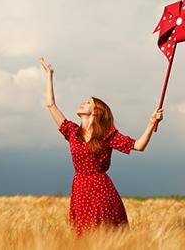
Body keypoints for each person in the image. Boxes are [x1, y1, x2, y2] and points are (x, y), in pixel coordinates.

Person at [39, 57, 163, 238]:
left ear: (96, 111)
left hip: (101, 190)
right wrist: (49, 75)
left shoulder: (107, 135)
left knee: (105, 236)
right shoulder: (72, 132)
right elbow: (51, 105)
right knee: (82, 238)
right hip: (80, 190)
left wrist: (151, 123)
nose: (83, 102)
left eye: (88, 102)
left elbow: (138, 145)